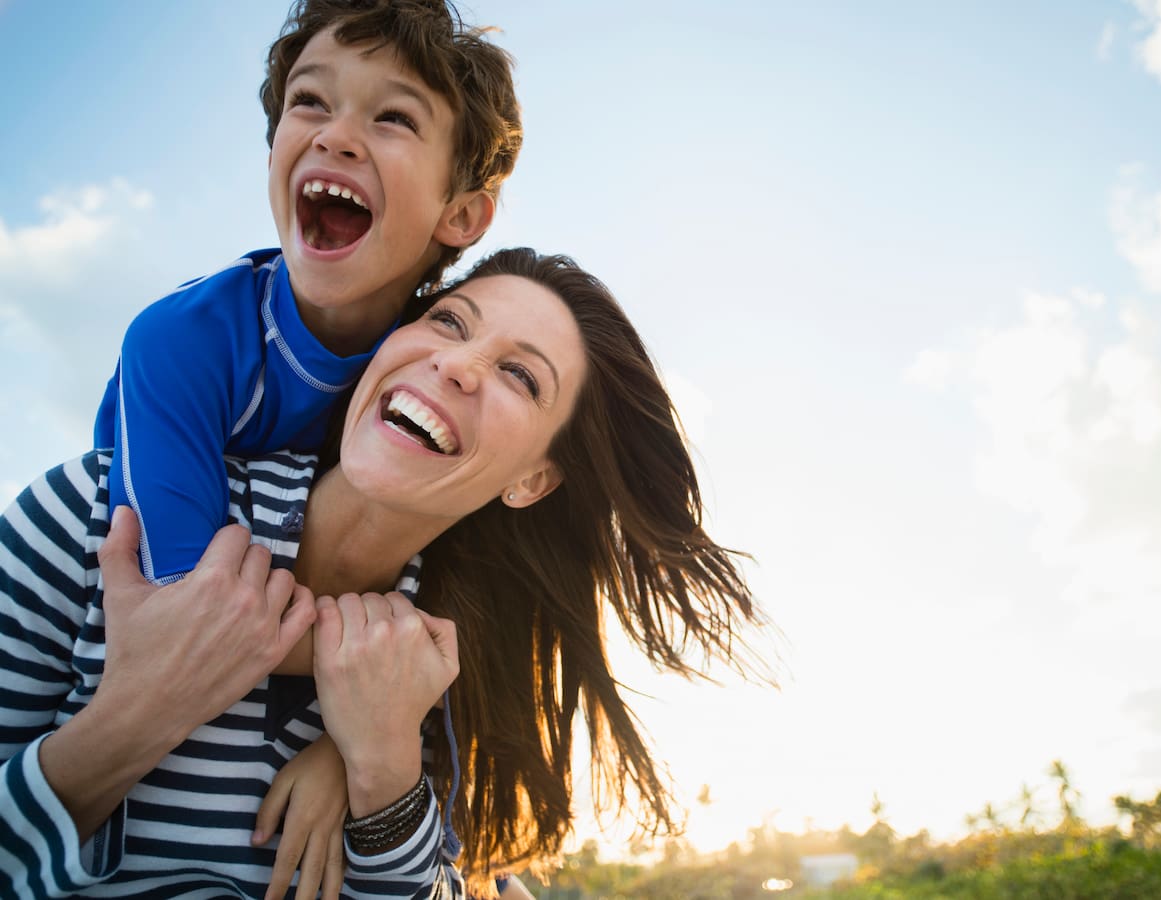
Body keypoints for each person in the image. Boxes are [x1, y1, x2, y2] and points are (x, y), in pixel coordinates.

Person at [0, 249, 764, 898]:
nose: (458, 364)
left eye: (520, 377)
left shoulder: (450, 685)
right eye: (448, 322)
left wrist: (382, 767)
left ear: (532, 480)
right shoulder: (97, 516)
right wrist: (140, 716)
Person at [94, 0, 521, 587]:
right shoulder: (180, 342)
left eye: (394, 117)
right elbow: (175, 610)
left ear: (462, 214)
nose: (335, 136)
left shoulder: (439, 375)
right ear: (274, 156)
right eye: (310, 102)